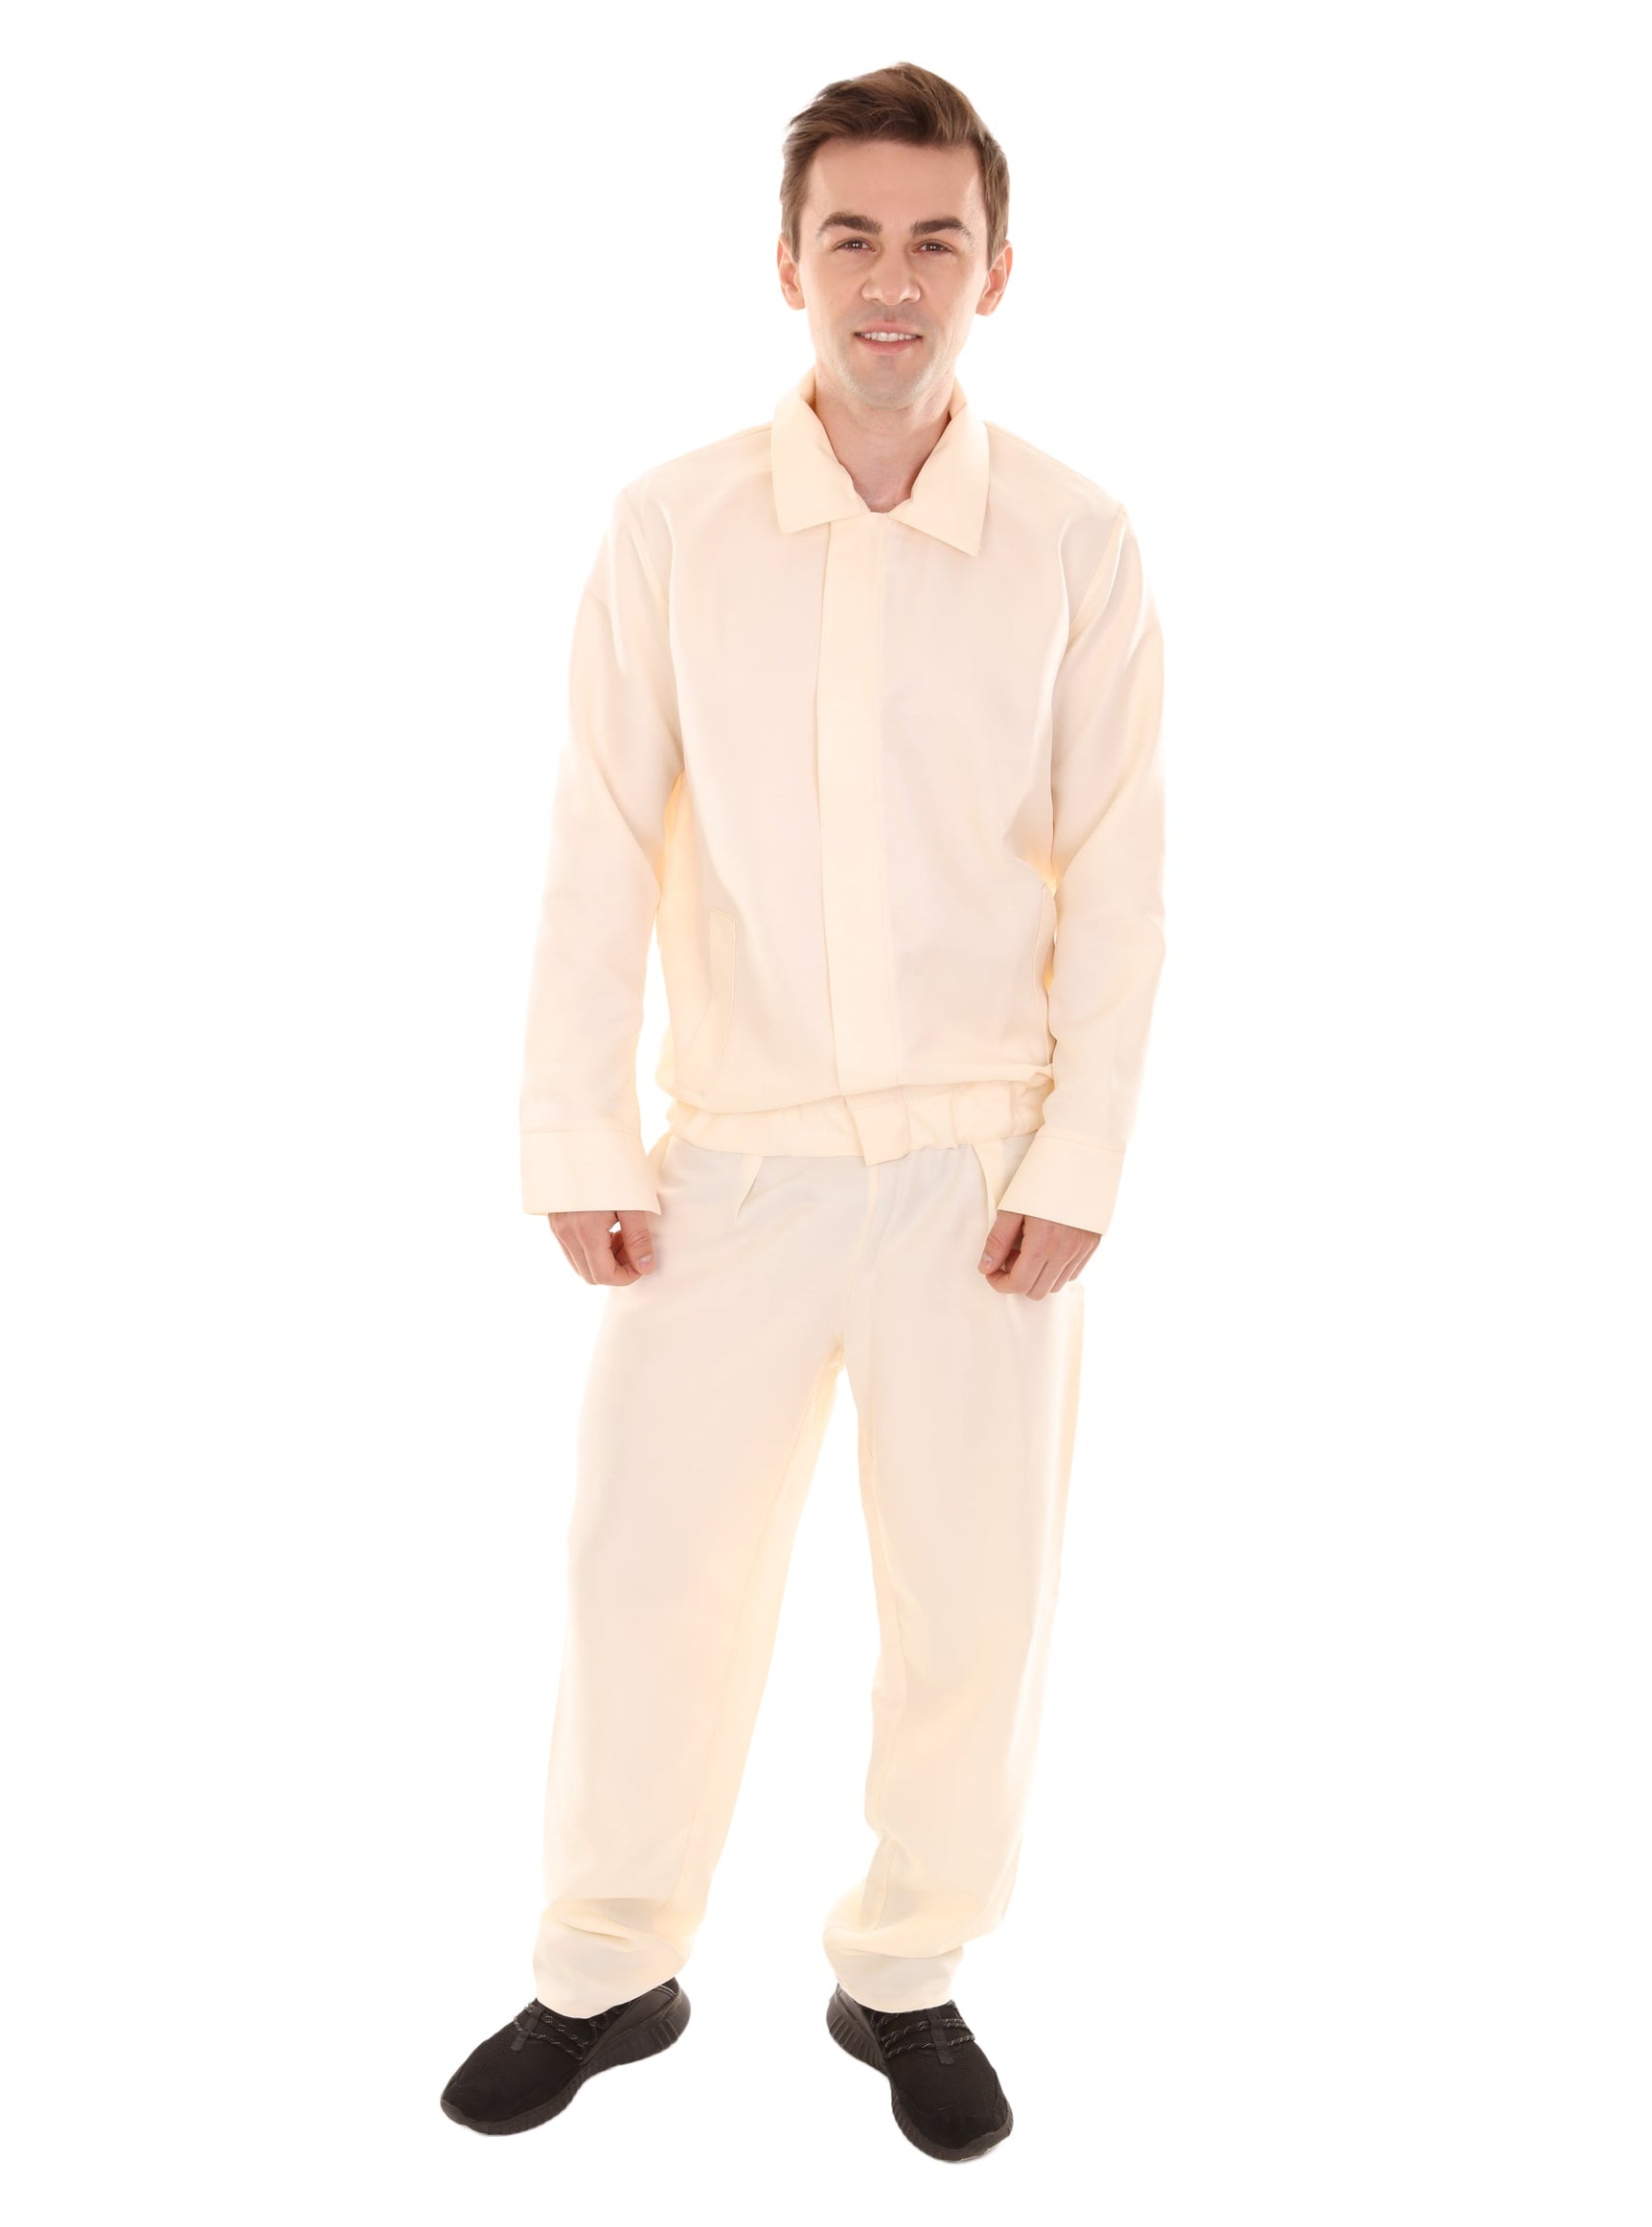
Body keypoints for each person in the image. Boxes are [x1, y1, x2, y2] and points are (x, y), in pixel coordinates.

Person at [441, 58, 1166, 2163]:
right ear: (788, 262)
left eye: (936, 238)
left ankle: (903, 1974)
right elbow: (596, 838)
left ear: (995, 271)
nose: (891, 277)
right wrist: (576, 1132)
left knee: (971, 1601)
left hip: (975, 1170)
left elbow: (1119, 872)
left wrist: (1079, 1153)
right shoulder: (672, 526)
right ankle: (607, 1967)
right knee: (645, 1574)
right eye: (852, 234)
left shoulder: (1074, 541)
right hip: (731, 1164)